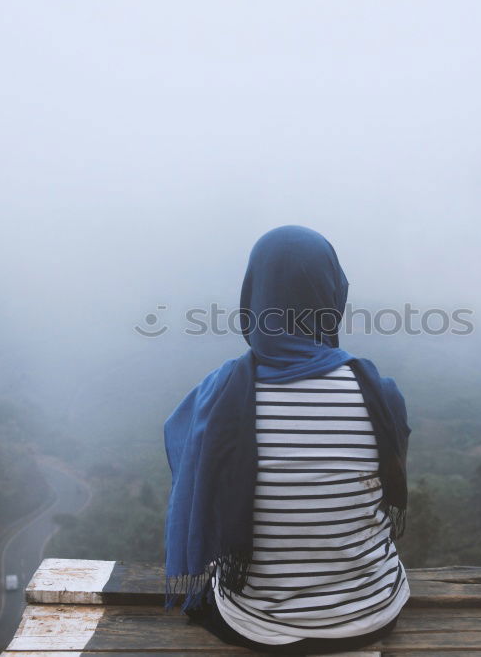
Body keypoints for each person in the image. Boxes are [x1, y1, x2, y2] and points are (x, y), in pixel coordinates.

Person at [163, 225, 412, 654]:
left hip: (258, 624)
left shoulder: (220, 393)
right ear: (332, 295)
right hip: (372, 614)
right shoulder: (377, 392)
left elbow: (185, 459)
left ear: (255, 296)